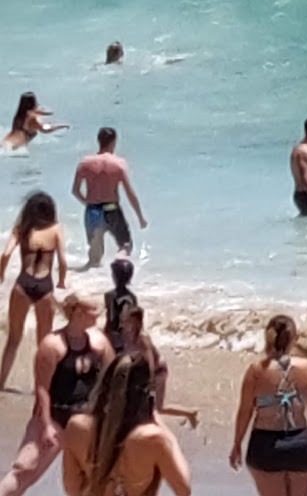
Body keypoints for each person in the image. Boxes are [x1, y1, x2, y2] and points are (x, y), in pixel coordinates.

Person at [0, 290, 113, 496]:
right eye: (93, 311)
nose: (98, 315)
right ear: (78, 312)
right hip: (55, 417)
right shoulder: (52, 344)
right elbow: (42, 389)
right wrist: (45, 426)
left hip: (86, 422)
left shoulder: (99, 342)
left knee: (97, 480)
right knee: (24, 470)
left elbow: (112, 380)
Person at [61, 353, 191, 496]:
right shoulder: (152, 438)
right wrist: (169, 437)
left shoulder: (77, 427)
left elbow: (71, 488)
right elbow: (184, 490)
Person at [229, 314, 307, 495]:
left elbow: (244, 412)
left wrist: (237, 444)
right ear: (294, 338)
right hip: (301, 445)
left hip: (266, 446)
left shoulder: (256, 371)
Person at [0, 193, 68, 390]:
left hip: (23, 284)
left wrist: (1, 274)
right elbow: (63, 260)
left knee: (13, 338)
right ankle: (42, 387)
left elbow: (5, 254)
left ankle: (1, 383)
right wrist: (62, 281)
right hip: (44, 287)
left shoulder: (21, 229)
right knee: (43, 342)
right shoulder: (55, 229)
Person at [72, 129, 147, 268]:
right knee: (125, 245)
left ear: (98, 141)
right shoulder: (118, 164)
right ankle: (118, 263)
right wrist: (140, 217)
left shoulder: (84, 163)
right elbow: (130, 194)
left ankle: (89, 281)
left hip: (93, 211)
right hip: (112, 209)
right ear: (114, 142)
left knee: (94, 257)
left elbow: (75, 191)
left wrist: (88, 204)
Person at [119, 307, 198, 427]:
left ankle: (188, 414)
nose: (124, 322)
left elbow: (149, 359)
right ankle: (189, 413)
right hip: (153, 371)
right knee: (154, 407)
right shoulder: (131, 335)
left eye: (127, 320)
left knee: (157, 407)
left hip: (158, 371)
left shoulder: (142, 337)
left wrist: (150, 379)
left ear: (135, 320)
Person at [3, 94, 68, 151]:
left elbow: (34, 112)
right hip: (14, 147)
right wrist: (60, 126)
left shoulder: (19, 116)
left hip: (5, 143)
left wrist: (46, 113)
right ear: (33, 102)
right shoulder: (32, 119)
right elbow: (45, 129)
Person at [103, 260, 138, 355]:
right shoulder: (132, 297)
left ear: (114, 276)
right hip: (127, 339)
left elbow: (110, 319)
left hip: (113, 338)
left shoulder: (109, 296)